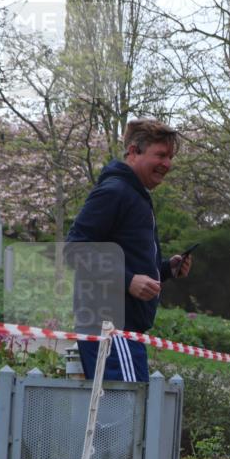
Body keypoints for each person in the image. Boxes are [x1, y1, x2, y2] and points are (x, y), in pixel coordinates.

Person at [66, 119, 192, 381]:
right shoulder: (115, 192)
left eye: (170, 157)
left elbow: (129, 264)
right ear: (133, 152)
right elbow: (74, 250)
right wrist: (127, 280)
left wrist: (166, 269)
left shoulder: (135, 195)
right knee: (127, 406)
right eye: (160, 155)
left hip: (124, 329)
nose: (167, 164)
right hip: (110, 328)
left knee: (130, 405)